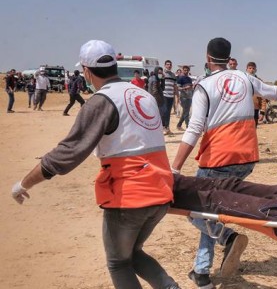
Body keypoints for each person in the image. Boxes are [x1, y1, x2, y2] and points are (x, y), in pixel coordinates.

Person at [10, 40, 178, 289]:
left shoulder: (102, 101)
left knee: (118, 262)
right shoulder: (142, 94)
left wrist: (23, 183)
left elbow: (67, 154)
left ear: (87, 71)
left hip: (130, 197)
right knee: (132, 254)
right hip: (161, 192)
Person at [171, 37, 277, 288]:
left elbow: (194, 128)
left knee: (196, 210)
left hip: (218, 158)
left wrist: (175, 167)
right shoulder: (245, 78)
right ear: (229, 57)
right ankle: (201, 272)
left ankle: (227, 238)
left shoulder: (204, 86)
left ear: (207, 57)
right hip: (246, 157)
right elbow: (273, 92)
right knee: (211, 211)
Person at [161, 60, 177, 135]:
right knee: (164, 112)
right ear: (165, 65)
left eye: (170, 64)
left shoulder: (173, 75)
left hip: (171, 96)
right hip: (164, 95)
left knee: (168, 112)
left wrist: (176, 95)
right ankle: (163, 127)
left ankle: (167, 127)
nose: (169, 66)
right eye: (167, 64)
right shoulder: (162, 74)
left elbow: (175, 86)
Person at [176, 65, 194, 131]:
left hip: (189, 97)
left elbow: (191, 87)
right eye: (185, 70)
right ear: (183, 70)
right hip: (183, 97)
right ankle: (188, 126)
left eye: (187, 70)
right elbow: (177, 88)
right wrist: (184, 88)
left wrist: (191, 88)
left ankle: (179, 125)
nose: (186, 71)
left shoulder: (189, 79)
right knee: (186, 112)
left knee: (185, 112)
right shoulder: (180, 78)